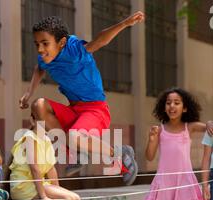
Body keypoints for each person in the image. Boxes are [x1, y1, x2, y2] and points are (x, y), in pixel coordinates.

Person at [20, 14, 145, 185]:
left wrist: (125, 23)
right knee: (38, 105)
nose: (40, 50)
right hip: (74, 110)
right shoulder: (45, 58)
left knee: (75, 135)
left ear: (61, 42)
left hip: (96, 110)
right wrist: (29, 93)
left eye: (45, 44)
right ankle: (78, 151)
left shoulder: (73, 48)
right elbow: (39, 68)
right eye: (37, 44)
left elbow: (99, 42)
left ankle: (120, 153)